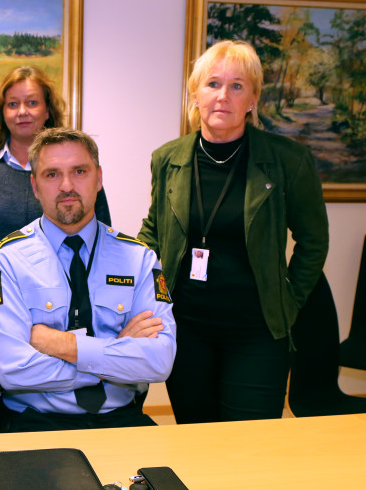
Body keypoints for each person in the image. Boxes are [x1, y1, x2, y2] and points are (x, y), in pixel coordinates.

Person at [138, 40, 329, 423]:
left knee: (249, 447)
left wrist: (289, 301)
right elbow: (153, 232)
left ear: (253, 99)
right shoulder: (168, 158)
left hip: (257, 331)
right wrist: (143, 294)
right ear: (195, 94)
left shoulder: (288, 160)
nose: (223, 96)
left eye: (237, 86)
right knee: (195, 438)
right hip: (187, 330)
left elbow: (313, 240)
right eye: (213, 84)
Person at [0, 128, 176, 432]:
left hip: (121, 420)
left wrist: (60, 344)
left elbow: (159, 361)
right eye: (51, 175)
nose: (67, 186)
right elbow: (11, 370)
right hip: (35, 422)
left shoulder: (139, 259)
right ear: (34, 185)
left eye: (79, 171)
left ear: (98, 178)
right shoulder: (7, 260)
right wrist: (116, 352)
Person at [0, 66, 111, 378]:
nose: (23, 112)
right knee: (4, 380)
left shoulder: (73, 168)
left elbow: (100, 233)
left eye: (32, 102)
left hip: (67, 302)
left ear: (48, 109)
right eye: (13, 103)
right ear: (2, 112)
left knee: (66, 376)